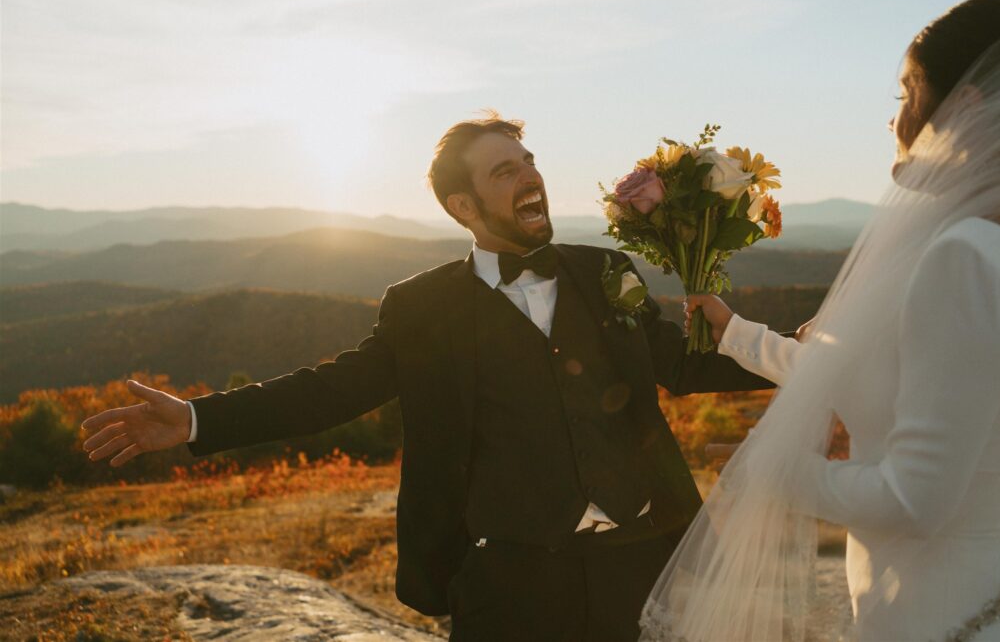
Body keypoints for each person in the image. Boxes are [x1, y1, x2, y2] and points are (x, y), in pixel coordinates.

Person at [81, 113, 775, 641]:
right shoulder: (422, 308)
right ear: (463, 207)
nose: (529, 174)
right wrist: (199, 418)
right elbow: (331, 390)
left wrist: (792, 354)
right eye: (504, 171)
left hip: (643, 563)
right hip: (510, 586)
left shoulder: (605, 273)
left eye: (528, 160)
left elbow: (681, 362)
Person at [640, 0, 1000, 642]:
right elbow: (870, 368)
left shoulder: (963, 257)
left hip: (948, 615)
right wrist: (736, 332)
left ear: (964, 110)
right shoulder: (983, 240)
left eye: (907, 92)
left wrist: (772, 471)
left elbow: (914, 499)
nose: (894, 119)